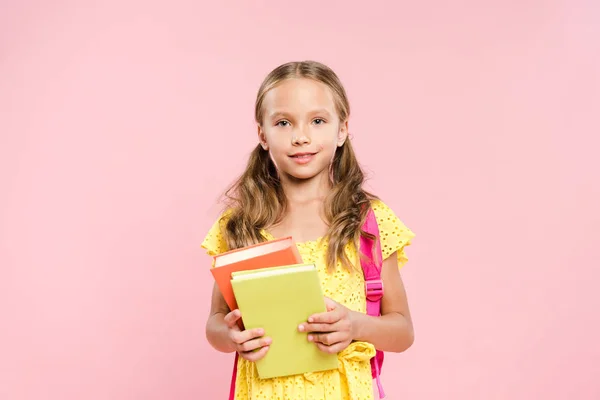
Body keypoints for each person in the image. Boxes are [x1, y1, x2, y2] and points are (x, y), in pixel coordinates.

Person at [202, 60, 415, 400]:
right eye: (284, 122)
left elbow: (403, 332)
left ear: (342, 129)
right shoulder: (240, 225)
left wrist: (356, 325)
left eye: (318, 121)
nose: (301, 136)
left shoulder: (368, 222)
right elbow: (216, 321)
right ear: (263, 135)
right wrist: (230, 337)